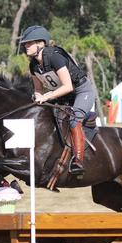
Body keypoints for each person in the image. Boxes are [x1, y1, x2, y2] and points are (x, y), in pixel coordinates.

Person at [19, 25, 95, 176]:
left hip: (81, 91)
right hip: (62, 96)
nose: (25, 46)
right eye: (25, 44)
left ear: (40, 44)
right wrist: (37, 96)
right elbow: (39, 89)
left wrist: (46, 96)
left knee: (73, 120)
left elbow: (68, 86)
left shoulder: (54, 56)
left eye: (29, 43)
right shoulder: (33, 64)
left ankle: (78, 161)